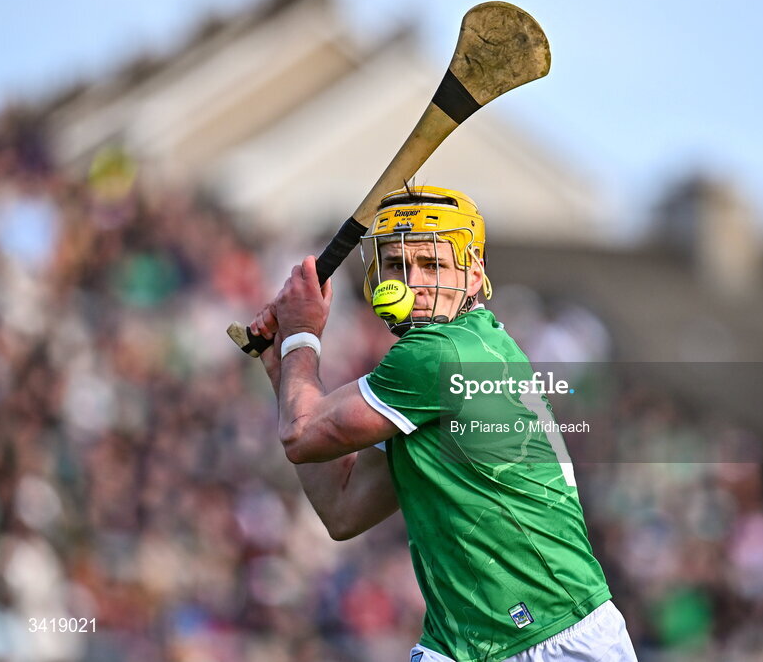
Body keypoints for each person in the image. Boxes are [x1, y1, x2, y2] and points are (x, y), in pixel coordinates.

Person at [250, 185, 637, 661]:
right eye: (396, 264)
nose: (411, 281)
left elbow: (301, 435)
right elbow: (343, 509)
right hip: (461, 644)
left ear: (474, 275)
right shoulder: (445, 362)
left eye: (432, 265)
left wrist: (304, 333)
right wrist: (282, 365)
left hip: (551, 637)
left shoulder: (441, 354)